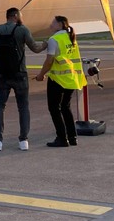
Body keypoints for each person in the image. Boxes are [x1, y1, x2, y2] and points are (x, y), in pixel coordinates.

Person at [0, 7, 47, 152]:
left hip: (2, 75)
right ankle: (23, 140)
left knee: (0, 107)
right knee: (23, 107)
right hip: (20, 75)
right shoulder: (22, 30)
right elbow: (35, 48)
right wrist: (45, 44)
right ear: (16, 15)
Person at [35, 15, 87, 148]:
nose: (50, 25)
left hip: (58, 79)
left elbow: (49, 61)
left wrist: (41, 74)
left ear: (60, 24)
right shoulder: (71, 38)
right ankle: (72, 136)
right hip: (71, 79)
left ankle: (61, 138)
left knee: (54, 108)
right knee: (66, 107)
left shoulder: (54, 39)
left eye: (53, 22)